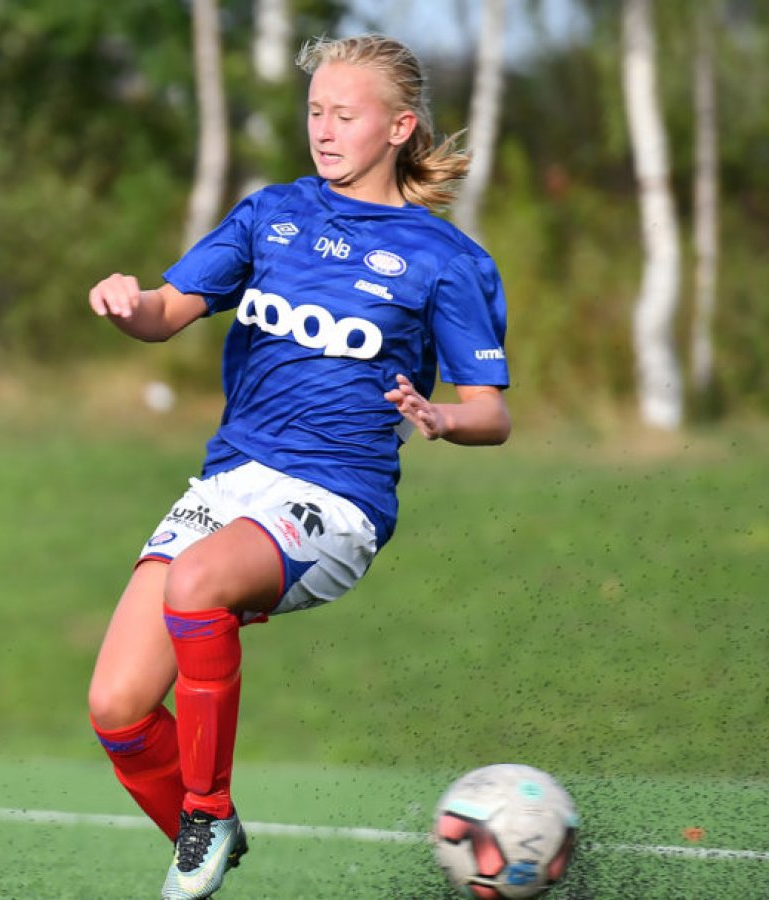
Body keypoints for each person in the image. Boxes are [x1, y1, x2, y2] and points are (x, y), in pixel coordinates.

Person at [85, 33, 512, 899]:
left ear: (399, 128)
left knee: (196, 581)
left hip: (338, 497)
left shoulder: (445, 260)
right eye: (314, 111)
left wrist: (441, 417)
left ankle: (206, 810)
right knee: (117, 708)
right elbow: (169, 311)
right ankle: (211, 831)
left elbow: (493, 412)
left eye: (343, 115)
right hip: (231, 479)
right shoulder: (270, 215)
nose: (322, 129)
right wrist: (128, 305)